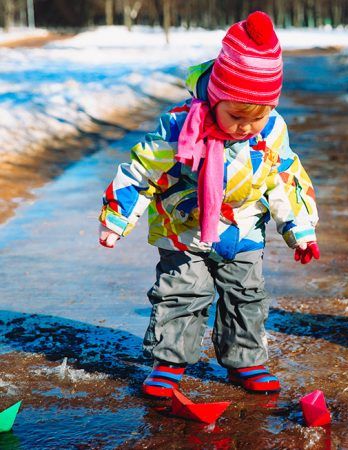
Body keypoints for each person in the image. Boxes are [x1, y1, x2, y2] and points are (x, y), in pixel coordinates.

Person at [98, 11, 319, 398]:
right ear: (215, 97)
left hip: (243, 228)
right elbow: (141, 170)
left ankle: (245, 360)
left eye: (260, 116)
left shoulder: (270, 130)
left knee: (245, 295)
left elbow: (284, 176)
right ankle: (169, 361)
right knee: (183, 292)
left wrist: (299, 228)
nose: (247, 127)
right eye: (236, 116)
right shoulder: (182, 126)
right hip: (184, 228)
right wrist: (116, 218)